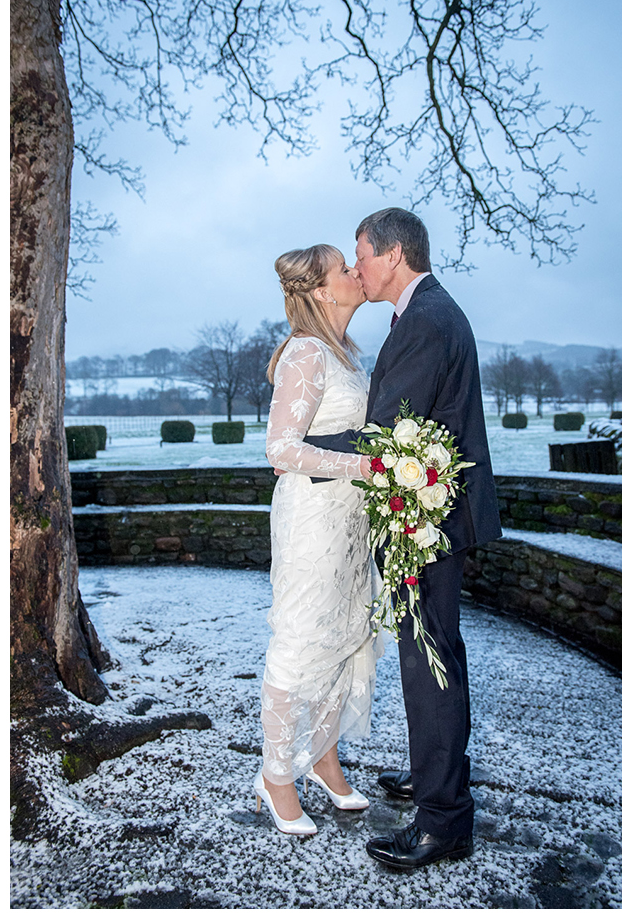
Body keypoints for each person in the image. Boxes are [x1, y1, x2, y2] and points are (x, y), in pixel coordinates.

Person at [303, 207, 501, 870]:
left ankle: (444, 823)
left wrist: (303, 448)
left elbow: (388, 433)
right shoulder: (427, 313)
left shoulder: (425, 321)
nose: (356, 268)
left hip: (428, 523)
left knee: (428, 667)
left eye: (362, 255)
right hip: (431, 515)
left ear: (393, 257)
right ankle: (436, 779)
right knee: (439, 653)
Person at [255, 244, 381, 835]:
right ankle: (277, 775)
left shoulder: (346, 356)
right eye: (344, 269)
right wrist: (370, 468)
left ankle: (324, 761)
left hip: (351, 523)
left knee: (347, 635)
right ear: (321, 291)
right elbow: (281, 449)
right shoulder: (305, 353)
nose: (356, 274)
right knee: (303, 640)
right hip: (312, 522)